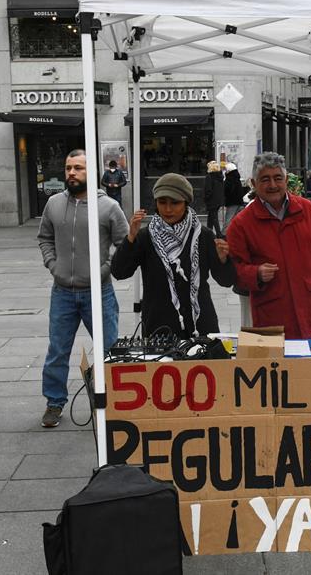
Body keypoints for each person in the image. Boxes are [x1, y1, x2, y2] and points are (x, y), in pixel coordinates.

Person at [37, 149, 128, 428]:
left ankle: (113, 400)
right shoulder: (53, 203)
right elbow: (44, 238)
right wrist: (53, 265)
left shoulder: (108, 206)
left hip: (98, 291)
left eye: (78, 168)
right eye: (68, 168)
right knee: (58, 350)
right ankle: (54, 402)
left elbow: (124, 245)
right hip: (62, 290)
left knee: (109, 349)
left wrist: (104, 269)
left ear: (91, 173)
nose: (72, 173)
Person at [226, 152, 311, 340]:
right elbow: (234, 270)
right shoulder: (241, 224)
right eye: (265, 179)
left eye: (277, 178)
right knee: (276, 366)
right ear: (253, 184)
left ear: (286, 180)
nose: (272, 185)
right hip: (270, 317)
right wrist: (256, 273)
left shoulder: (309, 211)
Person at [112, 173, 235, 338]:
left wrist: (223, 259)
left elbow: (226, 280)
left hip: (200, 325)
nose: (168, 209)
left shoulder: (203, 235)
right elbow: (119, 272)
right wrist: (130, 239)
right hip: (159, 327)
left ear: (186, 202)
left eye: (175, 203)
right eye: (162, 202)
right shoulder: (145, 236)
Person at [203, 160, 225, 236]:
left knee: (214, 217)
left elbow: (208, 190)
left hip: (211, 200)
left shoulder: (209, 177)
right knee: (211, 216)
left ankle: (218, 233)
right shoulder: (220, 177)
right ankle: (208, 231)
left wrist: (206, 198)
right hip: (218, 200)